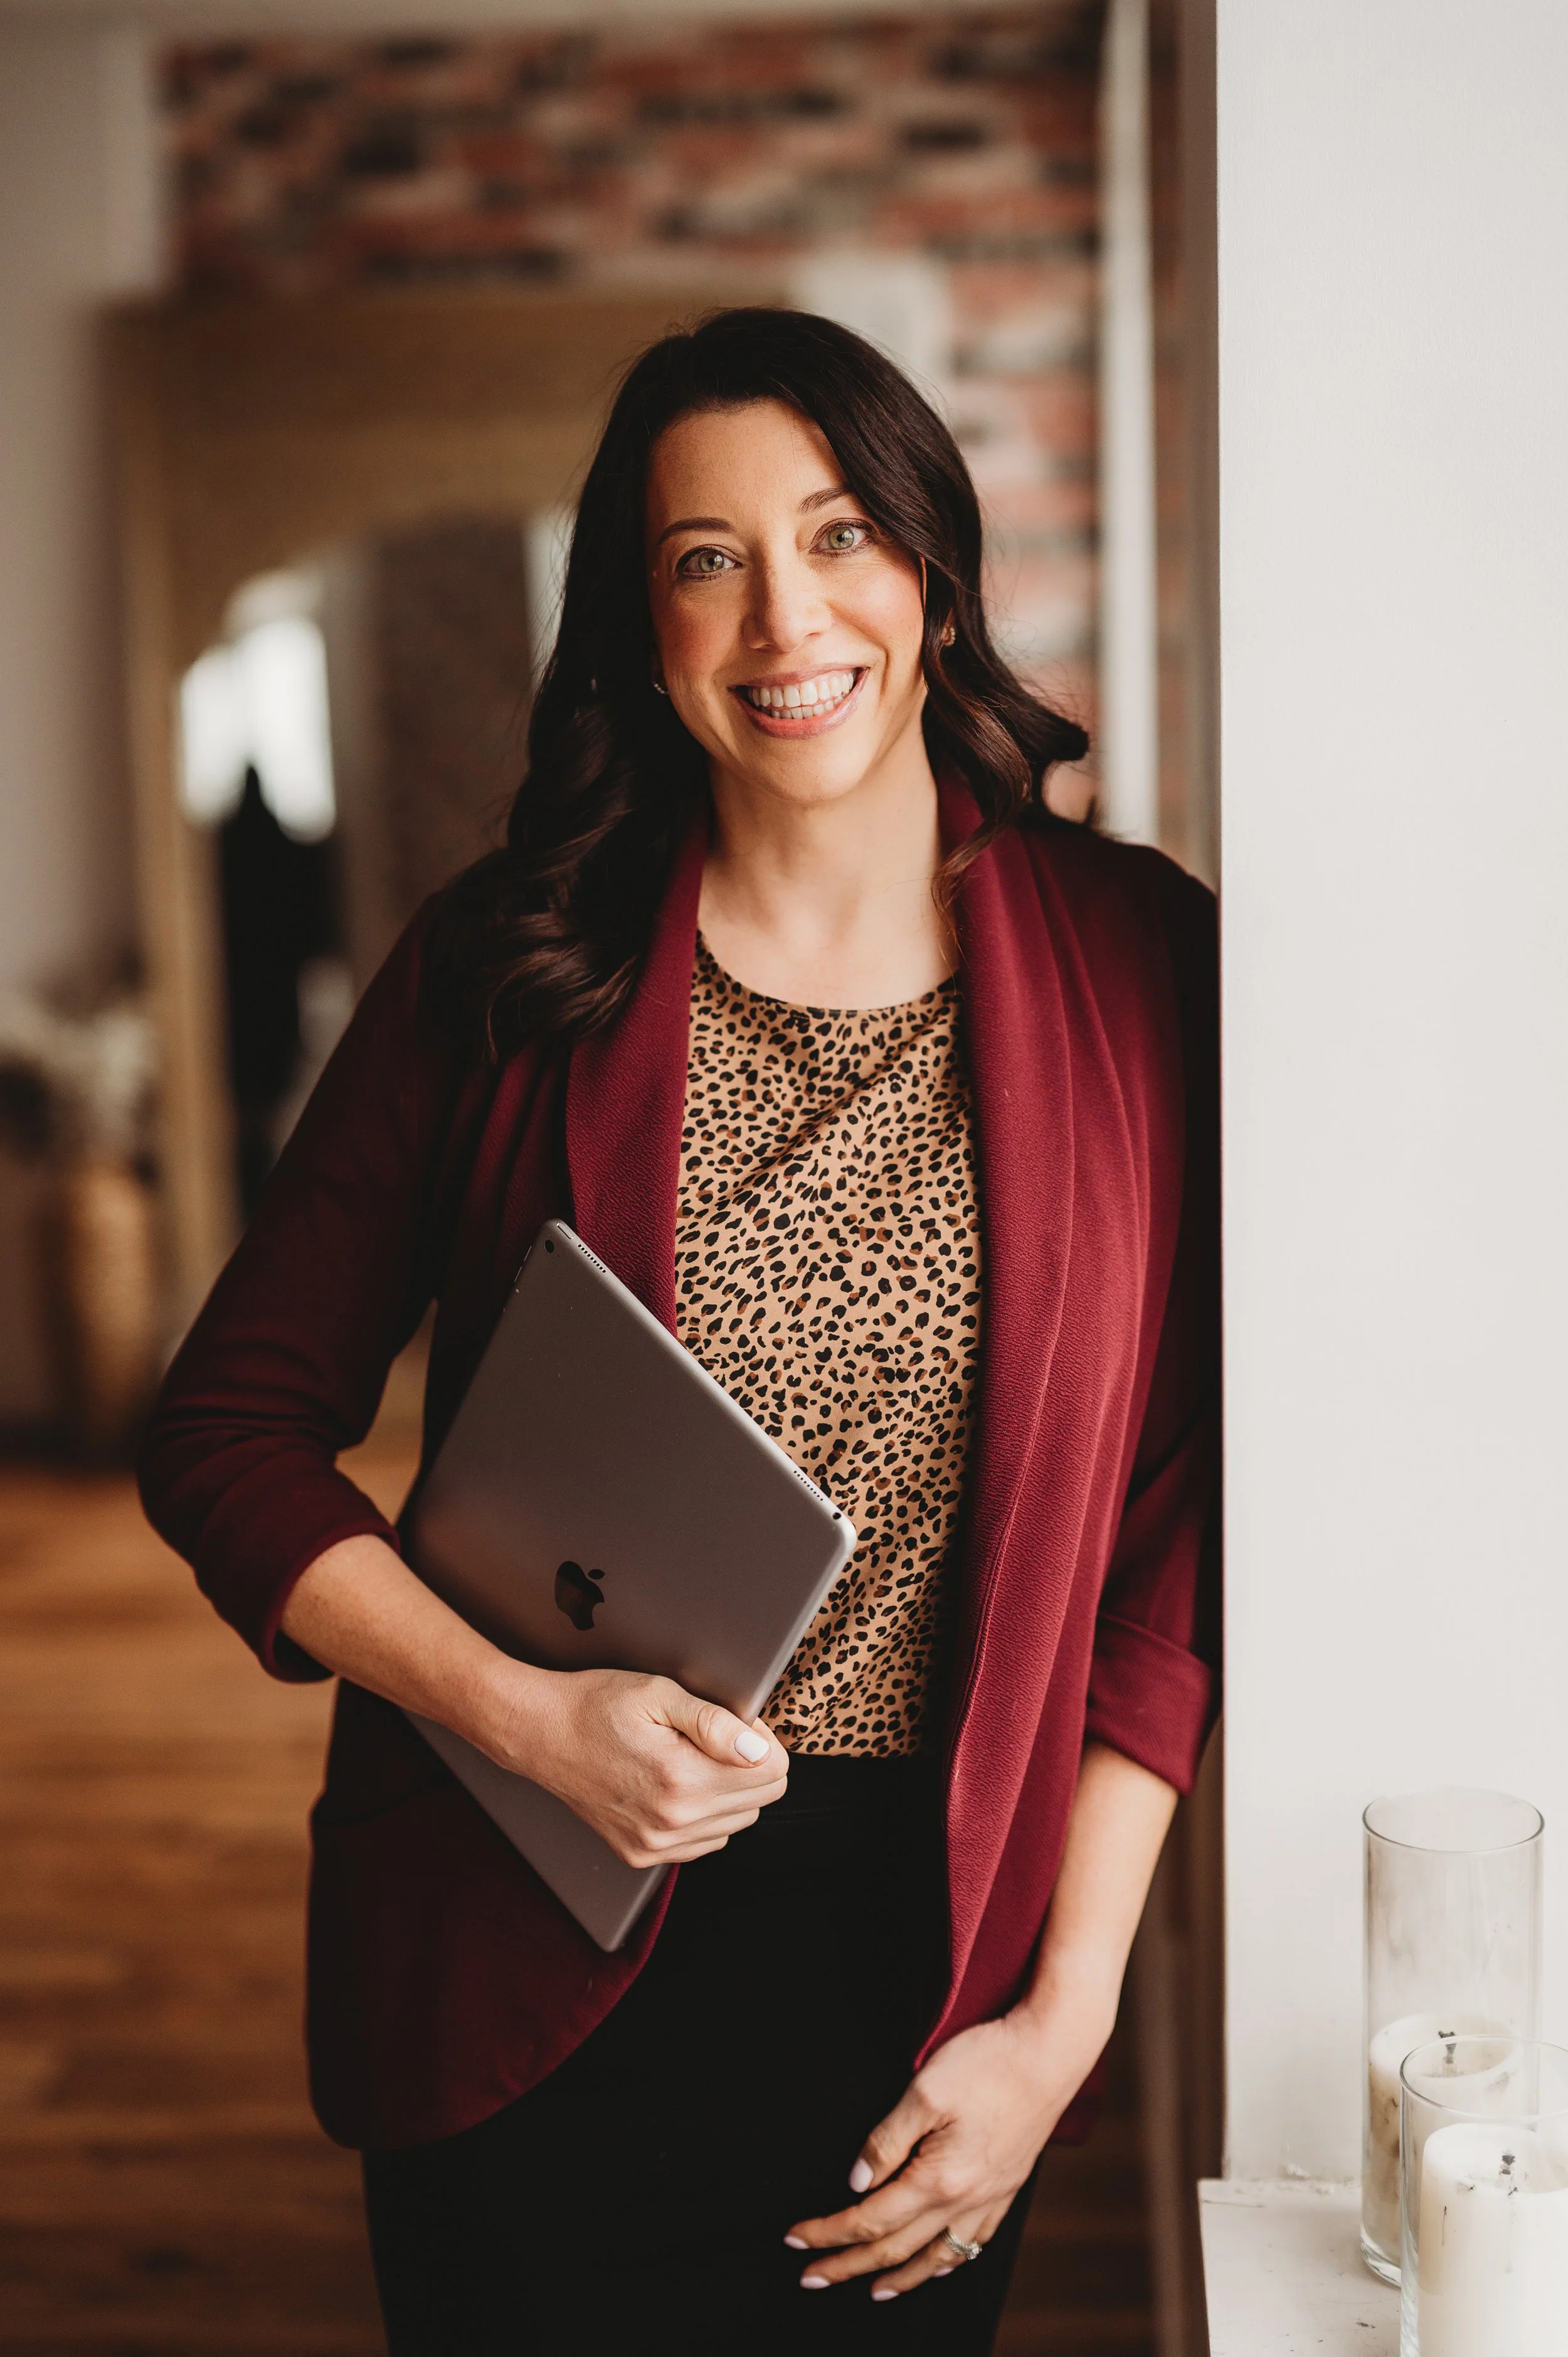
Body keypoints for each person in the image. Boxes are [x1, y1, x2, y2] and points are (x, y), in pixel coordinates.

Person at [139, 307, 1219, 2355]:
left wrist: (1062, 2020)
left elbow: (1170, 1554)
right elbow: (227, 1427)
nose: (782, 615)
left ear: (934, 572)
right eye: (704, 557)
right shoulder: (503, 964)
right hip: (518, 1909)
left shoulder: (1147, 965)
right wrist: (519, 1712)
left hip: (925, 1973)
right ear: (639, 626)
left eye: (838, 536)